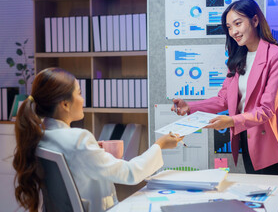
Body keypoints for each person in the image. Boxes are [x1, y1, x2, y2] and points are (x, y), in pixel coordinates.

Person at [172, 0, 278, 212]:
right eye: (229, 27)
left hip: (271, 143)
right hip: (247, 140)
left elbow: (267, 109)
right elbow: (224, 99)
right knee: (257, 205)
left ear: (255, 20)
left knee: (273, 206)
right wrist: (190, 107)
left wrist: (231, 120)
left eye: (238, 24)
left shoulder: (277, 56)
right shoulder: (237, 57)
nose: (233, 32)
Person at [13, 67, 183, 212]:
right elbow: (131, 174)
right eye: (79, 93)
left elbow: (75, 160)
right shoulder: (78, 140)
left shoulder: (40, 136)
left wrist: (93, 151)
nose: (83, 99)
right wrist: (160, 145)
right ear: (65, 104)